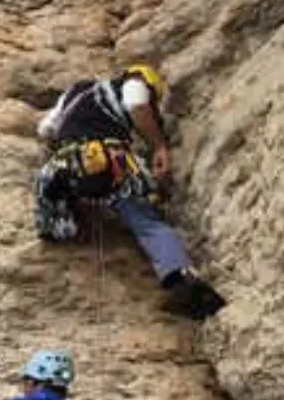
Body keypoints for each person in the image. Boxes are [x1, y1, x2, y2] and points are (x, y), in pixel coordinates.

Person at [34, 63, 226, 321]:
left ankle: (58, 224)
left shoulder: (74, 93)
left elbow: (45, 130)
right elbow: (137, 105)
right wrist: (158, 145)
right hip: (110, 161)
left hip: (65, 167)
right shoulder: (134, 83)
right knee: (147, 222)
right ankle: (179, 276)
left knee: (51, 191)